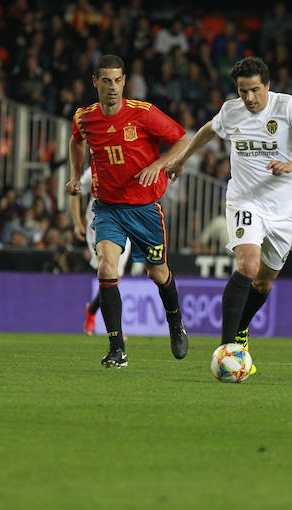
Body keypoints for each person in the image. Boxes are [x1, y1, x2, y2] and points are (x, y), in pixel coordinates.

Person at [166, 57, 292, 371]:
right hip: (245, 200)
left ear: (267, 85)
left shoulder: (287, 107)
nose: (249, 98)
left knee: (264, 283)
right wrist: (184, 159)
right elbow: (208, 131)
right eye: (243, 91)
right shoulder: (232, 111)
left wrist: (290, 166)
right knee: (248, 264)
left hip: (284, 209)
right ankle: (227, 349)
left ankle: (242, 329)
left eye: (255, 90)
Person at [66, 54, 191, 368]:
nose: (112, 87)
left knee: (157, 273)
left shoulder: (144, 114)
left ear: (125, 82)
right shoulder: (84, 117)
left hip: (145, 208)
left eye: (118, 80)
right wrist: (73, 173)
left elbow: (182, 141)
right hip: (108, 207)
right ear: (95, 82)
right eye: (106, 80)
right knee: (107, 268)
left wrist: (160, 164)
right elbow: (76, 141)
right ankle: (116, 348)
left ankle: (175, 323)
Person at [69, 166, 131, 336]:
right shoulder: (94, 170)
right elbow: (74, 191)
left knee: (115, 277)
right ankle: (115, 329)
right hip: (99, 225)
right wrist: (76, 222)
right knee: (111, 273)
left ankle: (92, 310)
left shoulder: (128, 163)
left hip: (125, 223)